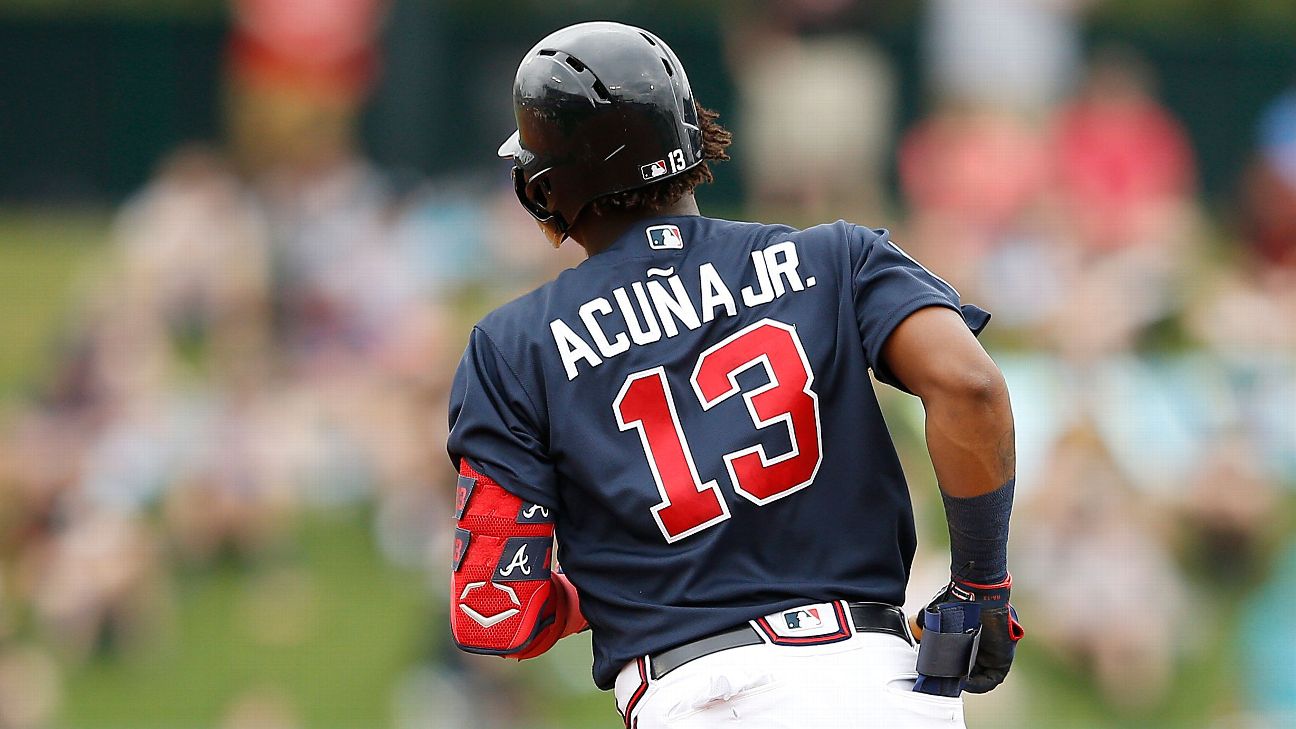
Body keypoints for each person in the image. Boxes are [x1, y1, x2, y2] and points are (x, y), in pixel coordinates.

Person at [447, 22, 1022, 728]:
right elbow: (971, 384)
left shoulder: (512, 345)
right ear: (694, 135)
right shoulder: (838, 256)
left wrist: (631, 578)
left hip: (700, 696)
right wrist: (981, 586)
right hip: (878, 685)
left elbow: (497, 612)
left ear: (541, 187)